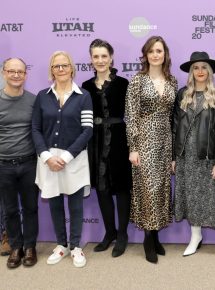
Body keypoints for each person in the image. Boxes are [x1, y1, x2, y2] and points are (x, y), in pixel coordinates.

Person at [32, 51, 93, 268]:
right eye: (56, 66)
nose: (61, 69)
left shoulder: (83, 96)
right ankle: (61, 245)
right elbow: (35, 129)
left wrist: (66, 156)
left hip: (74, 158)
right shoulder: (42, 96)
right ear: (51, 71)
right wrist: (47, 156)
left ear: (71, 69)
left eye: (64, 65)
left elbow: (87, 130)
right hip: (48, 159)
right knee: (55, 203)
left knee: (76, 205)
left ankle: (76, 247)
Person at [125, 35, 177, 264]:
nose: (156, 54)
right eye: (152, 51)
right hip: (144, 140)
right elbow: (131, 116)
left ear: (165, 54)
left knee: (162, 189)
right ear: (145, 55)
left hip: (165, 140)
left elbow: (175, 117)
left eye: (160, 51)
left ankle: (156, 237)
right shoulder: (137, 80)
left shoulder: (172, 81)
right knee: (148, 189)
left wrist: (174, 152)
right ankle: (148, 237)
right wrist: (133, 147)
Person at [172, 51, 215, 257]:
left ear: (210, 70)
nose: (200, 71)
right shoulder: (182, 94)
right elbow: (175, 127)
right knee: (191, 197)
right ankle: (195, 236)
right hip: (186, 157)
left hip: (209, 157)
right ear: (191, 72)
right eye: (196, 67)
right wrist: (174, 156)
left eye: (204, 67)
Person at [82, 39, 132, 258]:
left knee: (121, 188)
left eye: (104, 56)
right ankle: (109, 232)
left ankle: (122, 234)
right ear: (91, 59)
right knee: (101, 188)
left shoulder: (123, 83)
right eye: (96, 56)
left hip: (120, 138)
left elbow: (132, 114)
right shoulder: (85, 86)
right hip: (96, 140)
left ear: (111, 58)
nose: (100, 60)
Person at [0, 58, 39, 268]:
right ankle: (16, 246)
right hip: (3, 164)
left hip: (29, 163)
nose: (16, 75)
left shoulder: (33, 100)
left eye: (20, 72)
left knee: (31, 207)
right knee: (10, 209)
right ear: (4, 73)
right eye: (11, 71)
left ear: (25, 75)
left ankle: (30, 246)